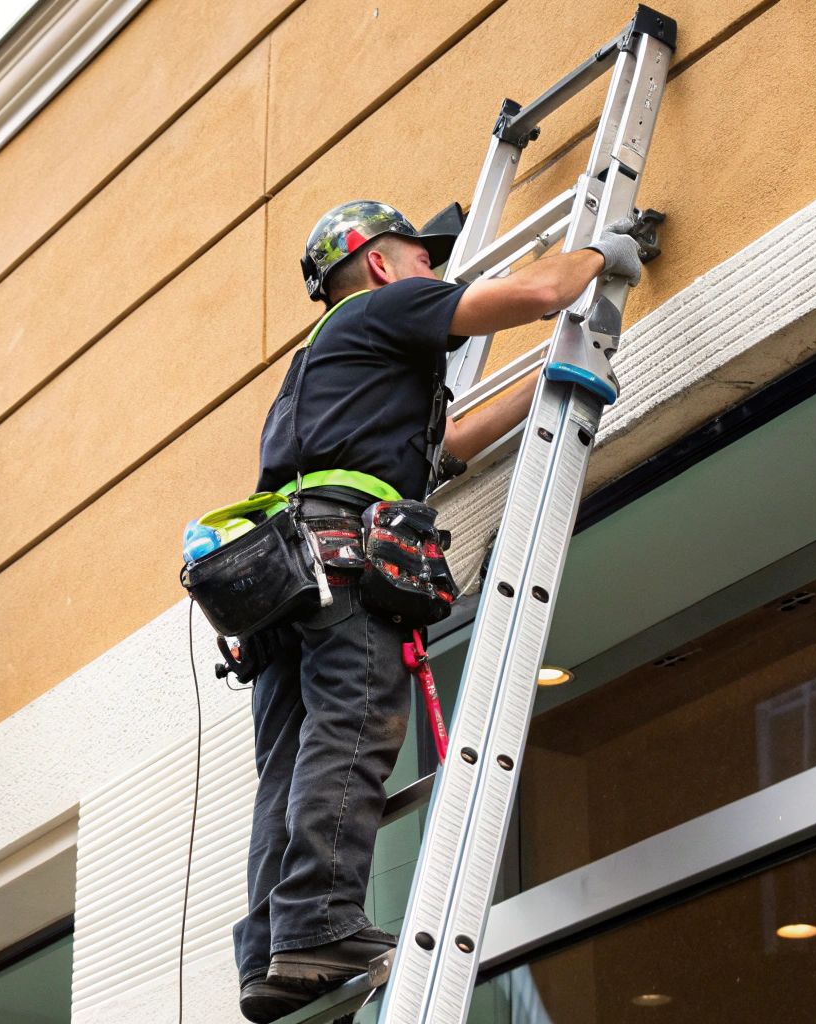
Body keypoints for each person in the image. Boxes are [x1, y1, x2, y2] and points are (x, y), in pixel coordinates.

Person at [234, 200, 645, 1022]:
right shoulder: (384, 307)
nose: (435, 270)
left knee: (289, 764)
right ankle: (319, 922)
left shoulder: (325, 367)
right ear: (379, 264)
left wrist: (548, 381)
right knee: (353, 724)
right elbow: (540, 293)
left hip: (280, 580)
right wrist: (607, 253)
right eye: (422, 258)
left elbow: (447, 446)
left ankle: (272, 951)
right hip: (341, 565)